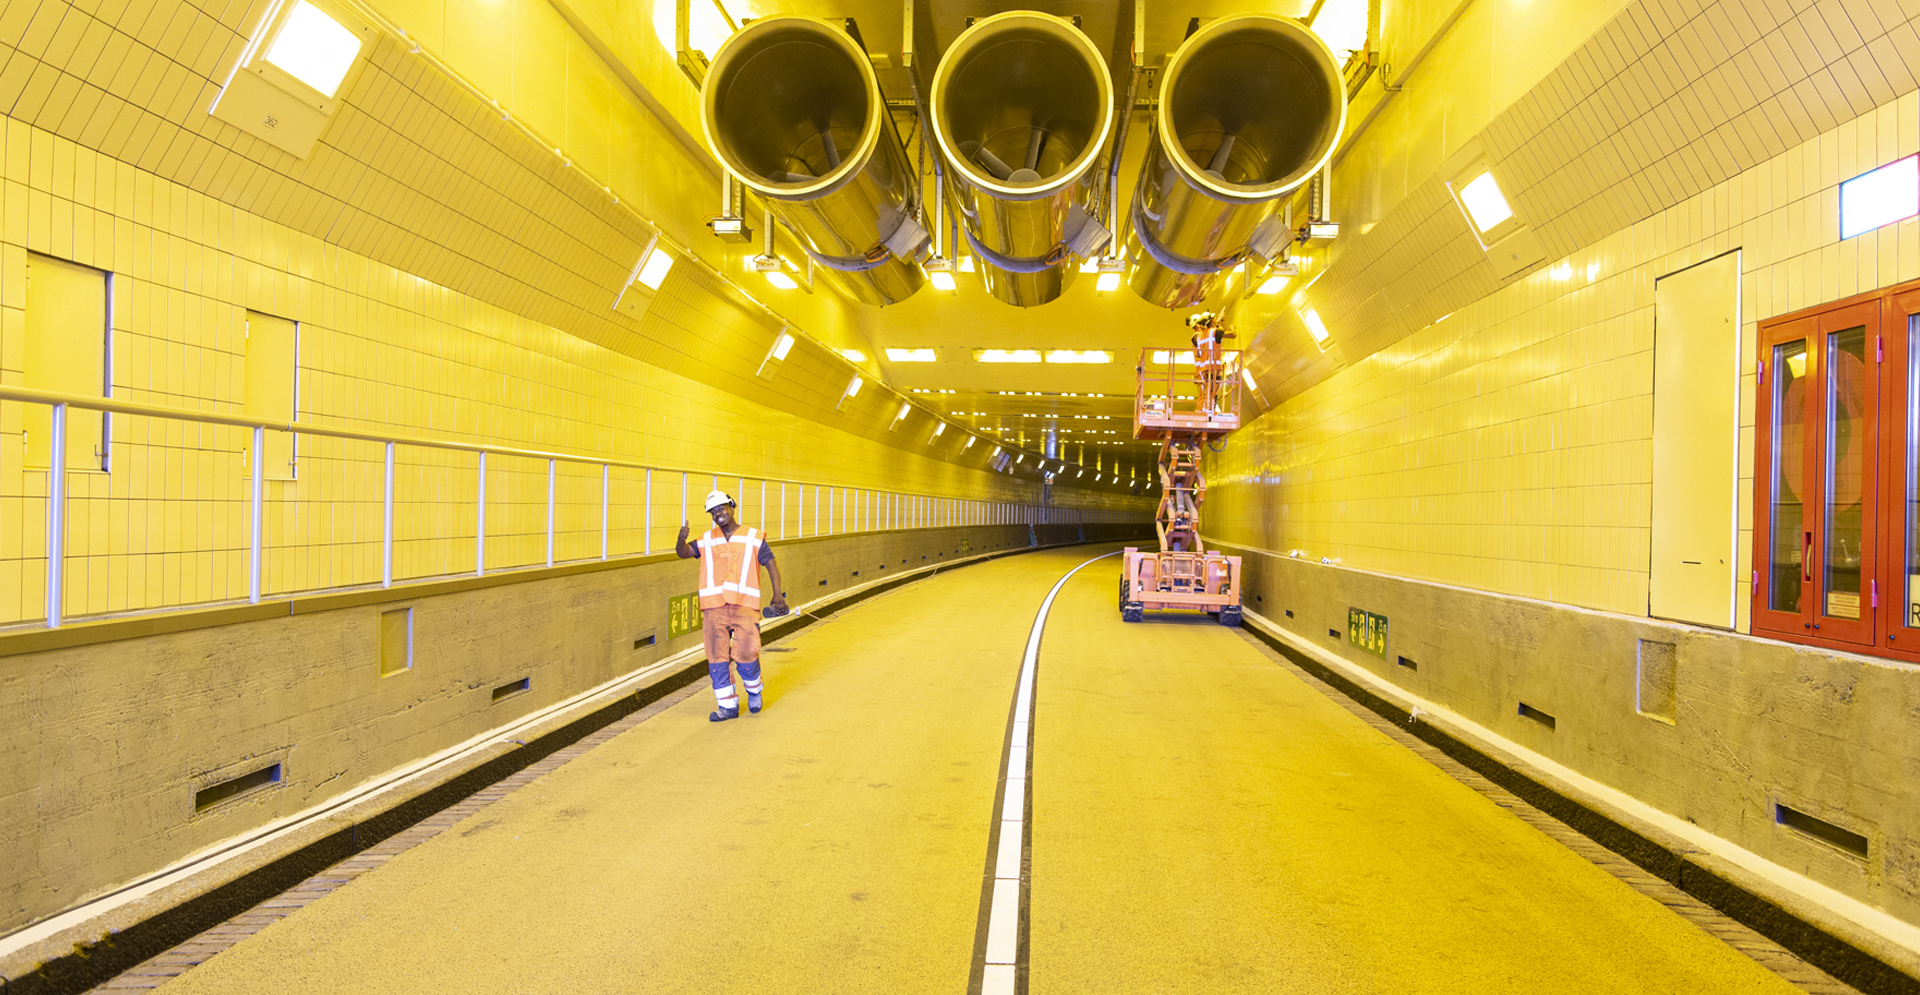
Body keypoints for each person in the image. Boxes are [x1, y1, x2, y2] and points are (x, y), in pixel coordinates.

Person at [677, 490, 788, 722]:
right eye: (713, 511)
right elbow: (684, 552)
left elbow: (771, 564)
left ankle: (754, 690)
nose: (718, 514)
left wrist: (777, 595)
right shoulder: (707, 539)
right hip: (714, 608)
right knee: (717, 657)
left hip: (744, 606)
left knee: (747, 652)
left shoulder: (752, 537)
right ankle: (727, 706)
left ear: (732, 508)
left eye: (722, 509)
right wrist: (681, 538)